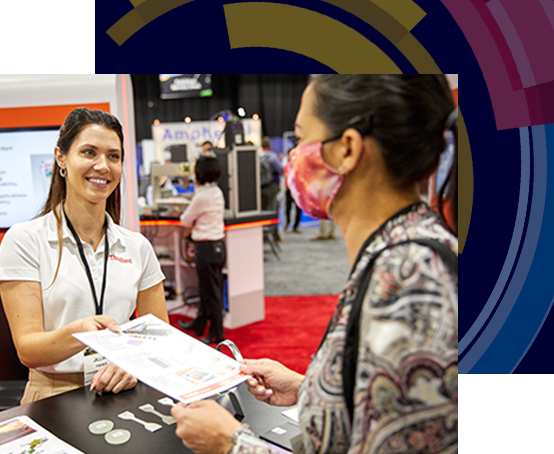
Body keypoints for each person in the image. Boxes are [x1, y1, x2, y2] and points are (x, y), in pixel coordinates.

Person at [170, 75, 458, 454]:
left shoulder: (413, 284)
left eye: (303, 139)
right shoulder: (394, 254)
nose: (294, 157)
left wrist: (231, 443)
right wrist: (309, 388)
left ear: (347, 150)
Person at [0, 107, 169, 404]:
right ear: (61, 158)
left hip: (123, 390)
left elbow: (160, 335)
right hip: (52, 396)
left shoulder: (137, 247)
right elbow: (27, 349)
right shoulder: (25, 240)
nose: (103, 166)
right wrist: (79, 332)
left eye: (113, 156)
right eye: (89, 152)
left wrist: (134, 363)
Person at [178, 156, 226, 345]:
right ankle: (200, 323)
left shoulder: (203, 196)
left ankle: (216, 333)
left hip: (206, 248)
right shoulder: (216, 192)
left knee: (210, 293)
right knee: (209, 290)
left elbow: (185, 219)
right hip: (217, 246)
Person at [259, 136, 284, 242]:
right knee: (273, 211)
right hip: (272, 187)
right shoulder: (273, 157)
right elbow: (281, 170)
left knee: (262, 212)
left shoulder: (258, 156)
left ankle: (263, 235)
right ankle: (274, 235)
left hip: (260, 188)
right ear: (270, 145)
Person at [283, 147, 302, 233]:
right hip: (288, 190)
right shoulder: (287, 165)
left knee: (298, 209)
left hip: (297, 190)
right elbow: (285, 175)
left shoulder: (299, 166)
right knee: (287, 208)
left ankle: (296, 226)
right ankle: (287, 222)